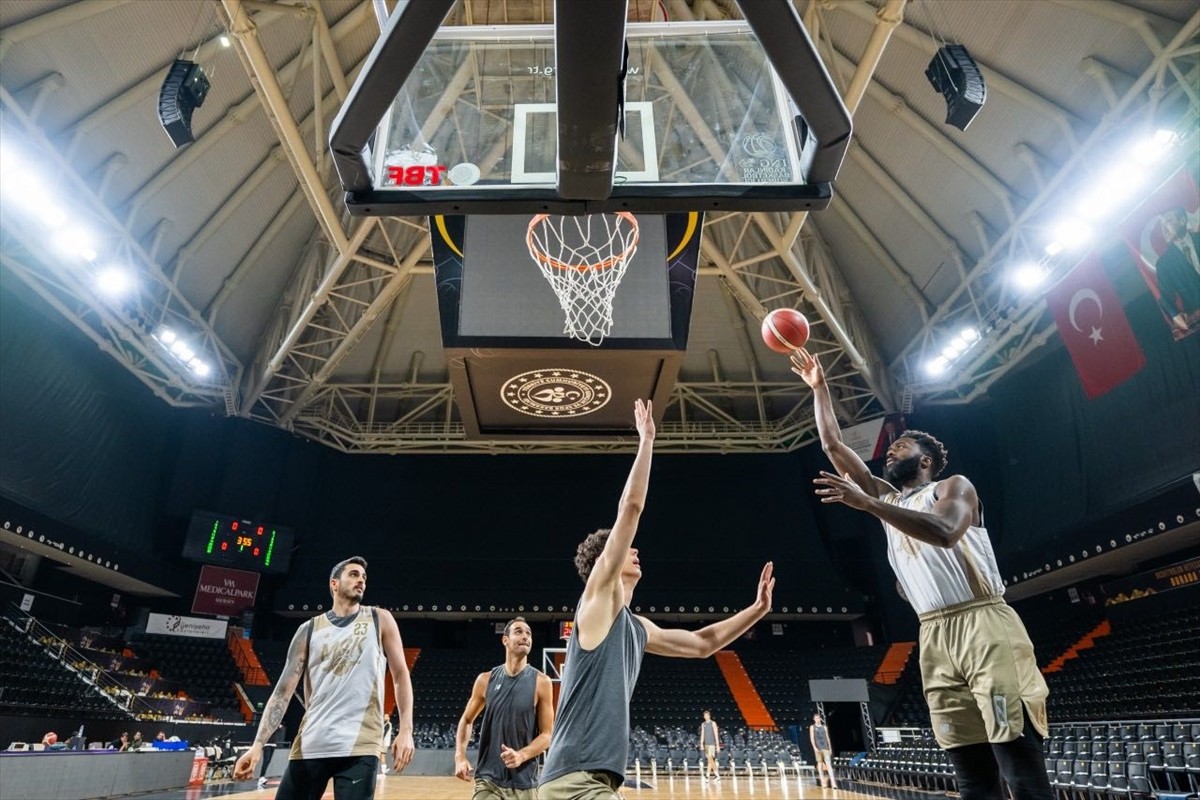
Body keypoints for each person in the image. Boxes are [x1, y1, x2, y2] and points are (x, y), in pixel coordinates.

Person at [792, 349, 1053, 800]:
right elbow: (835, 447)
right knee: (970, 772)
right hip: (932, 634)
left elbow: (948, 532)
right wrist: (820, 390)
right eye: (892, 447)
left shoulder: (953, 487)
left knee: (1017, 760)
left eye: (902, 445)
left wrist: (869, 504)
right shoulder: (889, 502)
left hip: (983, 622)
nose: (891, 450)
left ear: (927, 460)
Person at [538, 399, 776, 800]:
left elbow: (704, 644)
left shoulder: (637, 627)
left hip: (591, 779)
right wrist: (646, 440)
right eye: (626, 549)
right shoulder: (596, 600)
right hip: (574, 779)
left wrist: (756, 610)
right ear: (604, 563)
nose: (635, 551)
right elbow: (630, 508)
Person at [232, 556, 416, 799]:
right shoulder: (308, 630)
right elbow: (283, 692)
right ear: (334, 584)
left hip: (360, 746)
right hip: (311, 743)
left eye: (363, 577)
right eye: (353, 574)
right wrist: (257, 745)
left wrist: (406, 730)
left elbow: (401, 675)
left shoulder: (378, 618)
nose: (361, 579)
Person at [454, 617, 555, 800]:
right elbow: (466, 720)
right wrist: (460, 756)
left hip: (525, 783)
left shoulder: (542, 682)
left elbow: (547, 734)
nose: (525, 636)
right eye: (518, 632)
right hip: (489, 779)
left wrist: (521, 755)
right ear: (505, 640)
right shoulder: (485, 680)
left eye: (528, 633)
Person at [1154, 206, 1200, 333]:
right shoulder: (1164, 264)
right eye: (1162, 224)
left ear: (1182, 221)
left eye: (1168, 222)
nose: (1164, 229)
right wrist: (1175, 315)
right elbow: (1165, 296)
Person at [809, 712, 836, 789]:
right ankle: (822, 781)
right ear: (814, 719)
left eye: (818, 718)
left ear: (820, 719)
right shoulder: (812, 727)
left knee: (828, 764)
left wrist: (830, 748)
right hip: (818, 748)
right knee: (820, 764)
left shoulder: (824, 727)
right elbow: (812, 738)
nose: (817, 719)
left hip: (825, 748)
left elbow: (828, 738)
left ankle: (833, 782)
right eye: (816, 718)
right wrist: (814, 747)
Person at [698, 710, 721, 780]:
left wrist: (717, 745)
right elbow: (702, 734)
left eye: (707, 715)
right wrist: (701, 743)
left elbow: (716, 735)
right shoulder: (703, 724)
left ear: (709, 716)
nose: (706, 716)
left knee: (710, 759)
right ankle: (707, 775)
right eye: (704, 715)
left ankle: (717, 775)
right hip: (706, 744)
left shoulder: (713, 723)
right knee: (709, 760)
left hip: (712, 744)